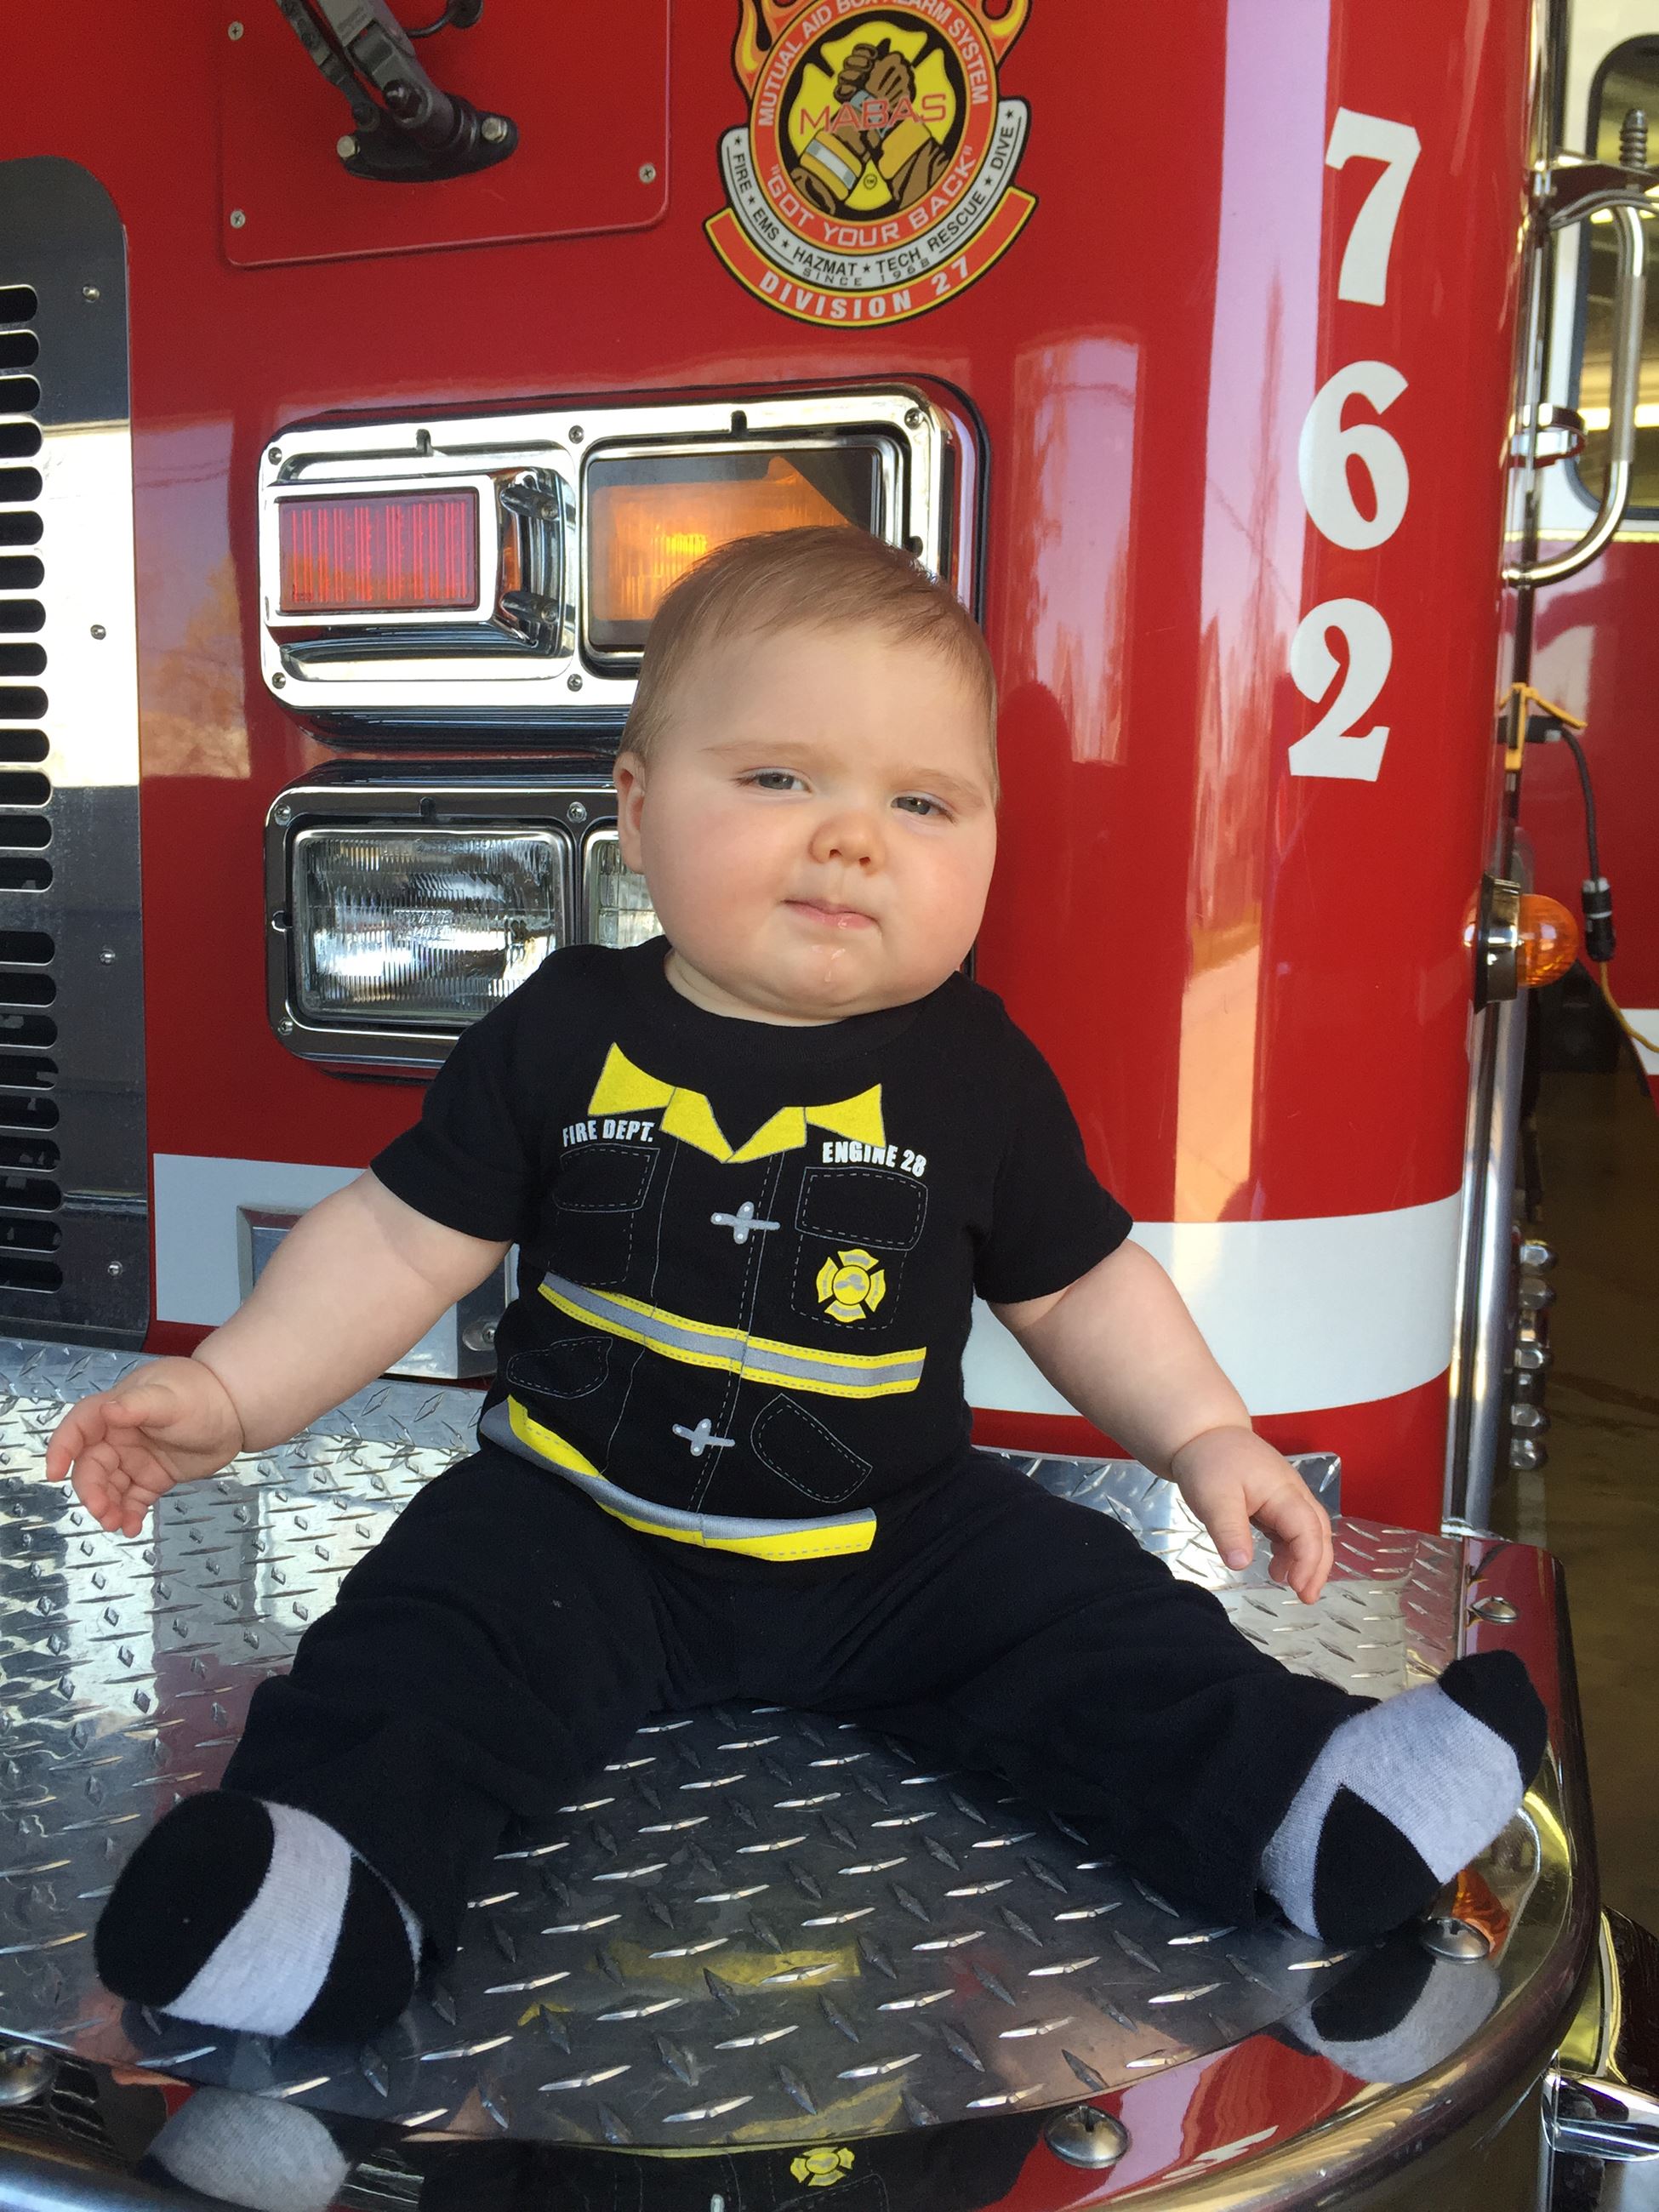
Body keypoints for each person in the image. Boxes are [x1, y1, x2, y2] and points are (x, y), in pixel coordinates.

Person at [47, 528, 1543, 2049]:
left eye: (920, 802)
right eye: (778, 780)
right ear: (634, 810)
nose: (850, 838)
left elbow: (1081, 1286)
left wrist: (1207, 1436)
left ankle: (1300, 1801)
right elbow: (393, 1238)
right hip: (575, 1520)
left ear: (987, 845)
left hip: (900, 1544)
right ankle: (329, 1886)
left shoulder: (978, 1072)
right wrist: (235, 1390)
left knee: (1096, 1622)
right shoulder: (561, 1029)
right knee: (416, 1652)